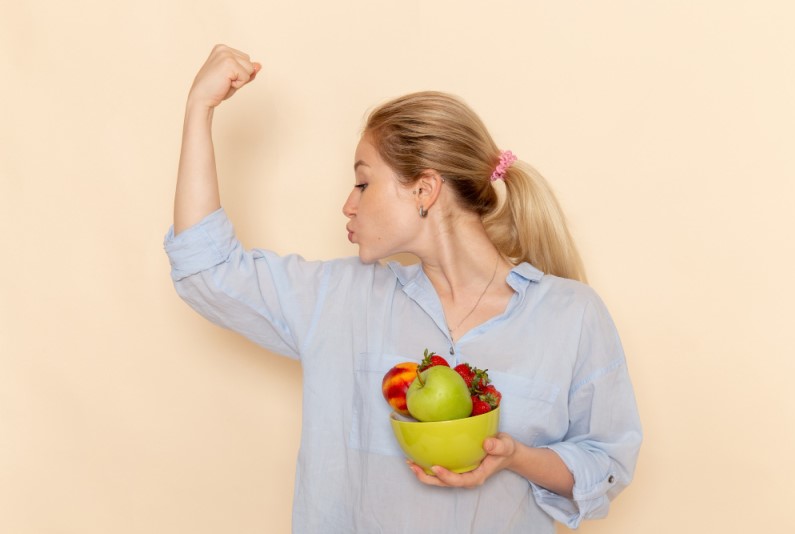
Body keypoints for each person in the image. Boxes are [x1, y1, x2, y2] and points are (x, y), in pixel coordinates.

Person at [165, 44, 642, 533]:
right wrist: (198, 109)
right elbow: (207, 269)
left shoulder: (572, 316)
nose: (348, 205)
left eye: (363, 184)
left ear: (424, 190)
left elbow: (604, 463)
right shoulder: (340, 299)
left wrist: (515, 457)